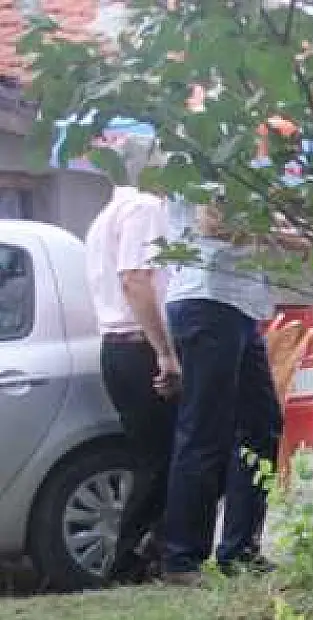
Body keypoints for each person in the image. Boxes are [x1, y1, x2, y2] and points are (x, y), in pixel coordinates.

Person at [157, 190, 308, 585]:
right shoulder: (202, 158)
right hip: (206, 302)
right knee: (205, 430)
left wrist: (273, 223)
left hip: (239, 306)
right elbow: (215, 223)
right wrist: (275, 228)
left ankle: (240, 550)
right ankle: (183, 559)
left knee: (261, 424)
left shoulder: (240, 168)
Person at [83, 132, 180, 584]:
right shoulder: (144, 208)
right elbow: (136, 281)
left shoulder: (105, 215)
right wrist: (165, 352)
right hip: (137, 345)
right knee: (163, 458)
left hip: (116, 347)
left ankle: (144, 554)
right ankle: (131, 560)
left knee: (153, 456)